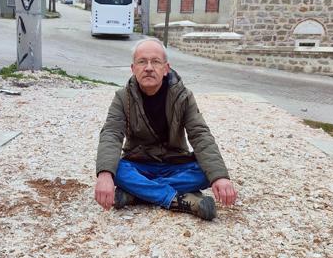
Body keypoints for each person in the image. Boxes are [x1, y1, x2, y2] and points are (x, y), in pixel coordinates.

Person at [94, 38, 237, 220]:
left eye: (155, 61)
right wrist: (105, 174)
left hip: (175, 162)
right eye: (142, 61)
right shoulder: (123, 98)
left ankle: (137, 193)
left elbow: (200, 134)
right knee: (116, 169)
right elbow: (111, 133)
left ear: (165, 69)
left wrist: (219, 177)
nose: (148, 67)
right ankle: (177, 199)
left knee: (206, 172)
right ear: (133, 69)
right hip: (139, 163)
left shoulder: (183, 97)